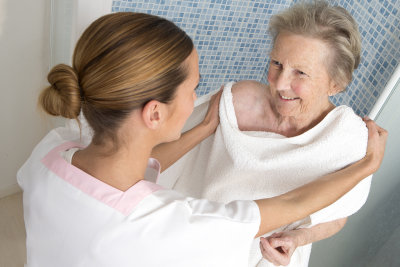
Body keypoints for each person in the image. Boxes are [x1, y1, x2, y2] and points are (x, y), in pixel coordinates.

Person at [17, 12, 387, 267]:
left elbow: (136, 166)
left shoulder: (49, 153)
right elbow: (292, 203)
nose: (203, 97)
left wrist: (201, 130)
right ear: (155, 114)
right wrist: (368, 165)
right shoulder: (174, 226)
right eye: (194, 89)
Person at [158, 1, 378, 266]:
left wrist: (298, 238)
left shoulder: (347, 141)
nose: (280, 83)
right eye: (276, 63)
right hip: (196, 242)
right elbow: (159, 156)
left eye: (300, 72)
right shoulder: (237, 102)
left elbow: (336, 215)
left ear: (336, 83)